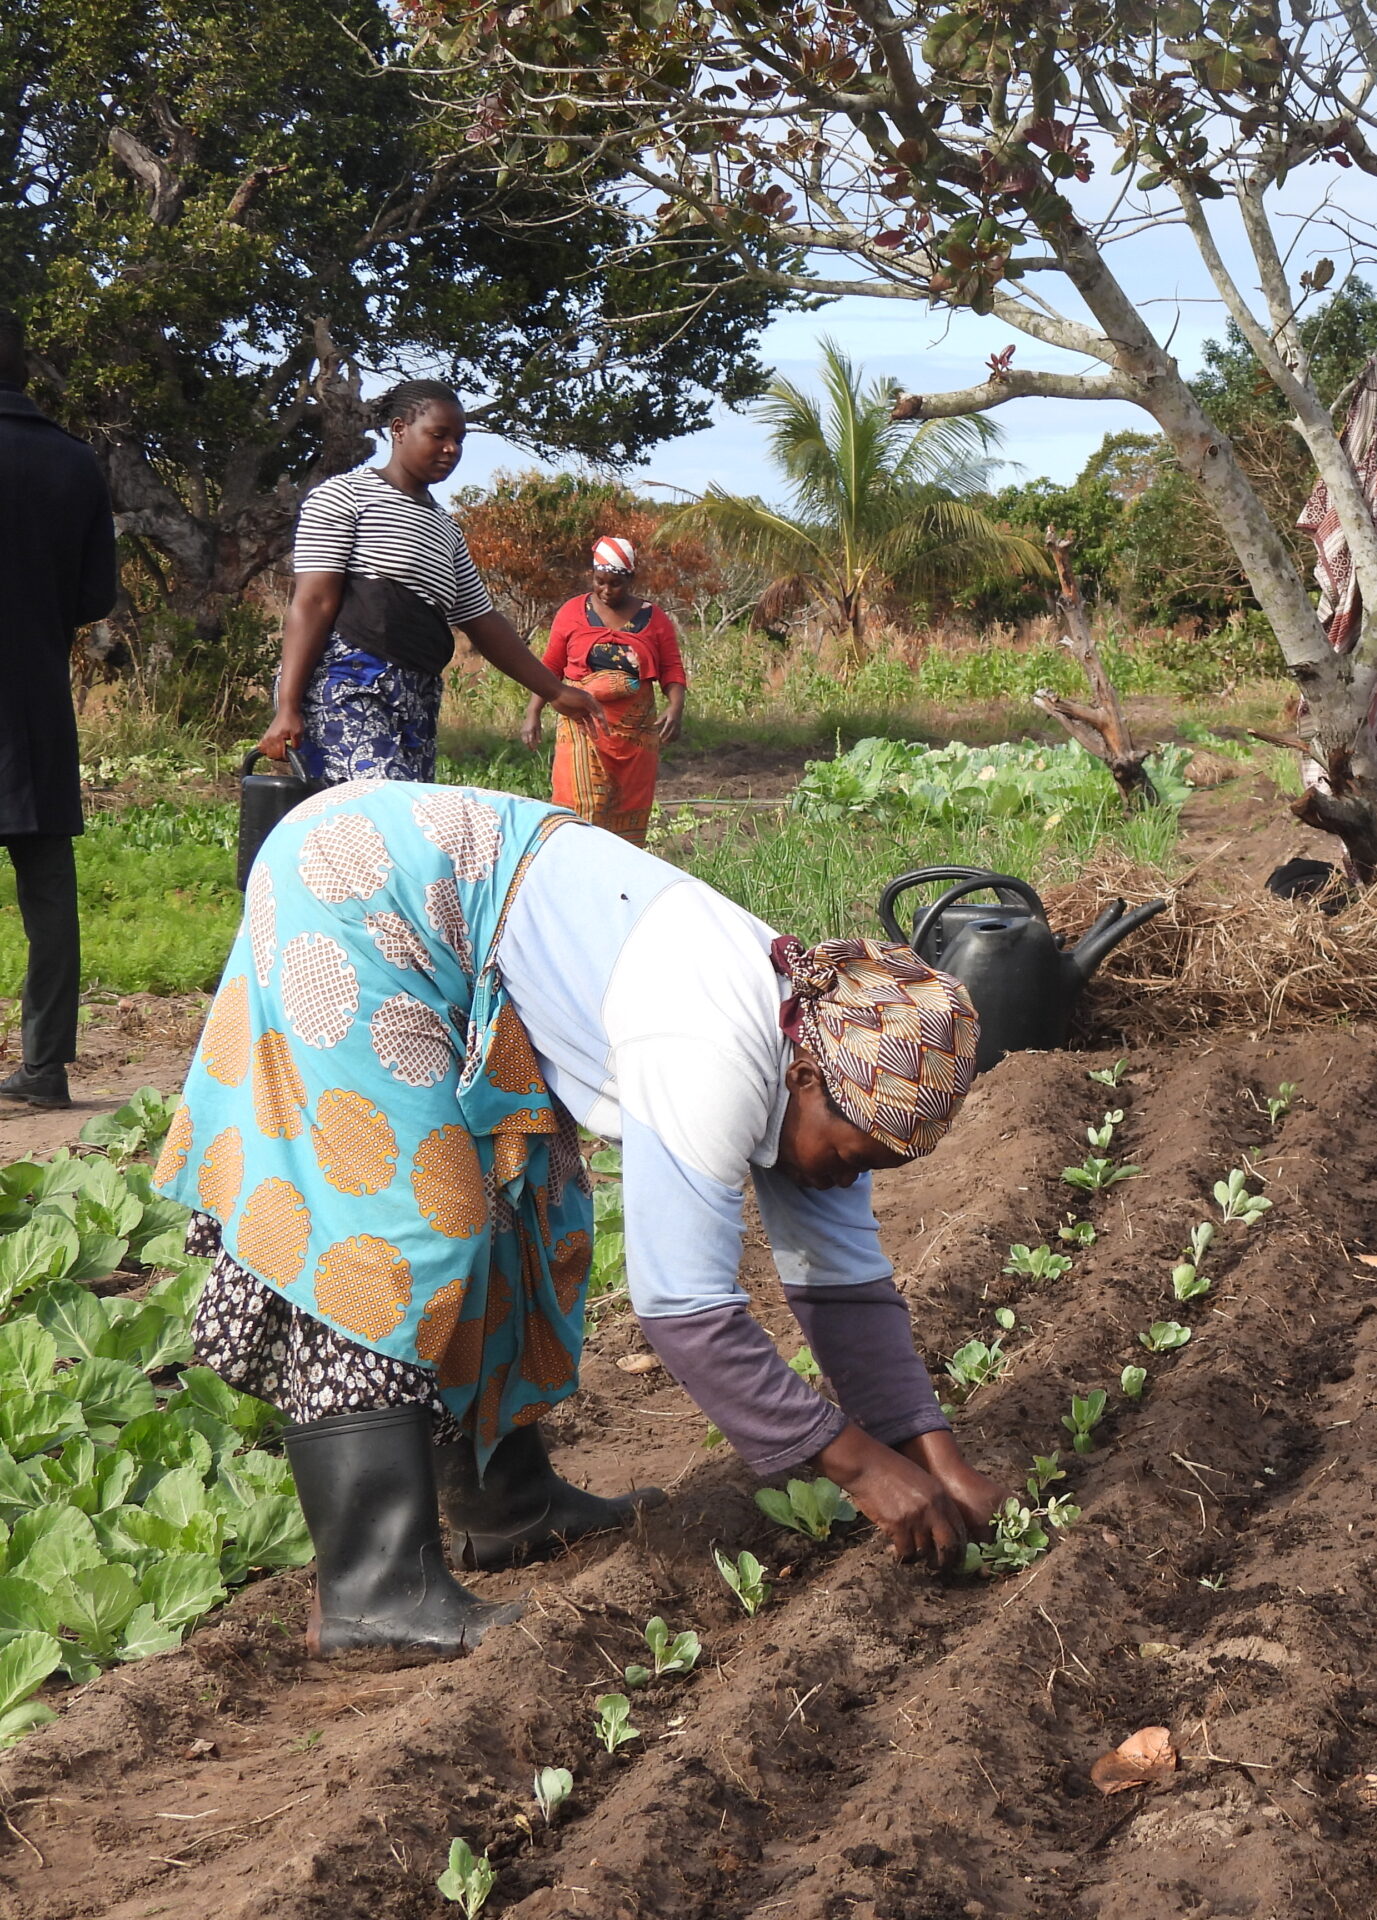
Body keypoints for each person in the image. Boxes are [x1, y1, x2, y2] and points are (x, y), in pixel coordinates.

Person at [153, 782, 998, 1652]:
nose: (846, 1179)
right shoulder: (710, 1050)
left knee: (526, 1208)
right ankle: (372, 1589)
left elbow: (846, 1284)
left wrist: (935, 1455)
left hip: (463, 908)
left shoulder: (827, 1050)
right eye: (852, 1157)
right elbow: (686, 1312)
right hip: (360, 891)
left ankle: (506, 1502)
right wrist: (860, 1467)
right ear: (805, 1079)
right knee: (399, 1233)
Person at [257, 381, 601, 783]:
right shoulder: (345, 496)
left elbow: (482, 621)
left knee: (409, 814)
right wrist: (288, 706)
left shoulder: (446, 529)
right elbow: (313, 602)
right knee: (383, 805)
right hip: (348, 685)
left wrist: (555, 691)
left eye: (459, 440)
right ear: (399, 430)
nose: (451, 449)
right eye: (438, 435)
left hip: (416, 696)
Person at [0, 312, 117, 1111]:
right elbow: (94, 596)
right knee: (48, 897)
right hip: (36, 707)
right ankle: (44, 1069)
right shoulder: (75, 461)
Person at [521, 536, 688, 845]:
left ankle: (619, 873)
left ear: (631, 579)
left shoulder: (655, 619)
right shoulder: (572, 612)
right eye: (600, 582)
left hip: (634, 737)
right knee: (577, 814)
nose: (606, 590)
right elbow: (551, 667)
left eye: (616, 584)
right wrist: (533, 712)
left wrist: (675, 707)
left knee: (628, 809)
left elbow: (672, 668)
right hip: (581, 729)